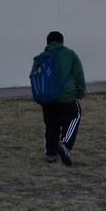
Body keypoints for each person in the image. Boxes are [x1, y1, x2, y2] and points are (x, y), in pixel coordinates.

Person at [32, 31, 86, 166]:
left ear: (47, 42)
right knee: (74, 117)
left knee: (51, 125)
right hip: (67, 97)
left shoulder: (40, 57)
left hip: (48, 99)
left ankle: (50, 154)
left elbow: (34, 77)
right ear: (62, 41)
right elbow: (79, 74)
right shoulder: (70, 54)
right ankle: (65, 144)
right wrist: (80, 92)